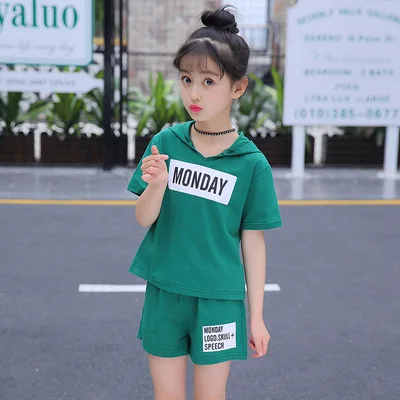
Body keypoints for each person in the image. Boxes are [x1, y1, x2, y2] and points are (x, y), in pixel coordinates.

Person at [127, 5, 282, 400]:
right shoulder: (166, 143)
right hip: (165, 293)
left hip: (219, 301)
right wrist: (157, 186)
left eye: (209, 81)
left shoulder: (251, 164)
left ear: (238, 88)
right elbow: (143, 218)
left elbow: (254, 242)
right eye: (186, 79)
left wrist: (257, 317)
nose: (194, 93)